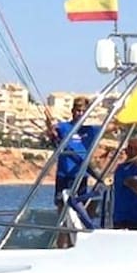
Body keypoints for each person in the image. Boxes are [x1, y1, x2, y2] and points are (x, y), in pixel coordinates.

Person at [44, 95, 102, 224]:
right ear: (72, 111)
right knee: (62, 205)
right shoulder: (64, 127)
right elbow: (51, 132)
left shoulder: (91, 130)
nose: (79, 114)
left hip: (81, 176)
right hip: (64, 174)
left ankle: (84, 228)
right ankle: (63, 234)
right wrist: (49, 125)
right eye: (77, 111)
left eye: (82, 111)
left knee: (80, 205)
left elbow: (111, 127)